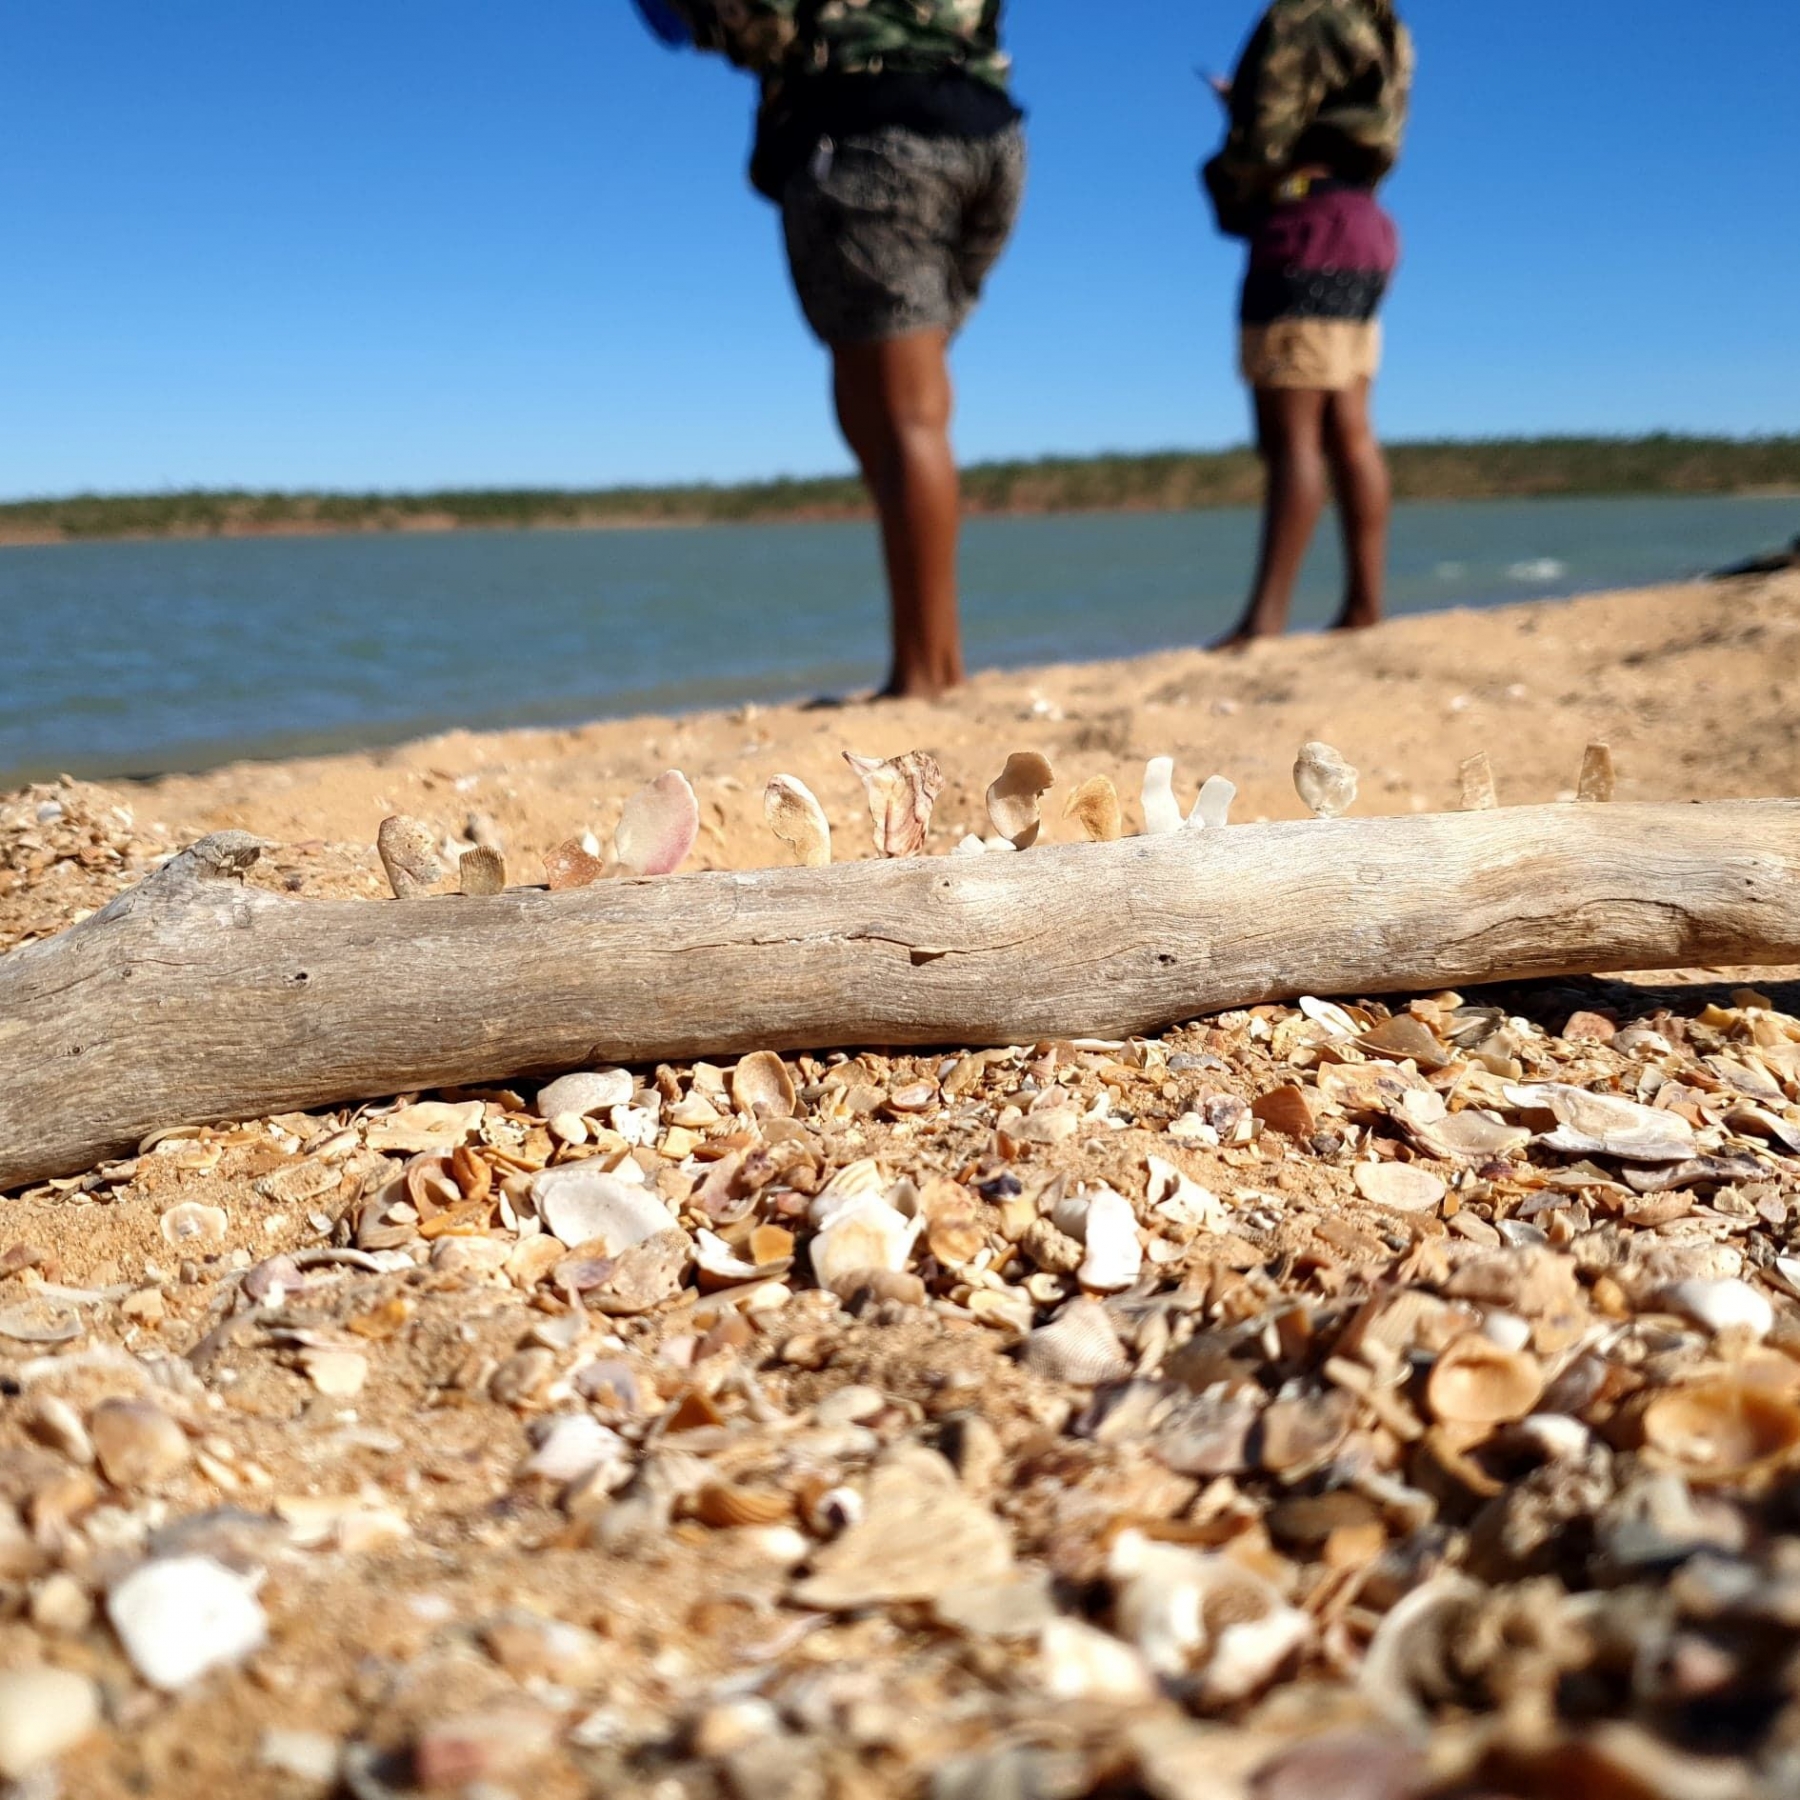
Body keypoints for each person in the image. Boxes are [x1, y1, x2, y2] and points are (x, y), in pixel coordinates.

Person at [638, 0, 1025, 700]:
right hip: (989, 130)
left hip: (872, 129)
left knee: (900, 415)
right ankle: (928, 662)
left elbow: (755, 20)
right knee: (901, 403)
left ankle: (931, 674)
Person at [1202, 0, 1413, 647]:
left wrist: (1236, 123)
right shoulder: (1387, 25)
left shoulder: (1300, 15)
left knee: (1290, 435)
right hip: (1365, 223)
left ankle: (1262, 623)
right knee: (1349, 426)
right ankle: (1364, 605)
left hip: (1306, 222)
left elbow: (1260, 147)